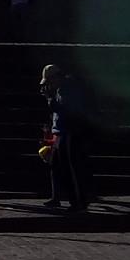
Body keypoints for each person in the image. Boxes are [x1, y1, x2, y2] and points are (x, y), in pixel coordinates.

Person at [39, 63, 92, 211]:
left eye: (50, 81)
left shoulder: (66, 90)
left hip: (68, 131)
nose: (49, 85)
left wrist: (50, 99)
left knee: (70, 168)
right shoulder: (63, 88)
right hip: (62, 131)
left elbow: (64, 109)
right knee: (57, 166)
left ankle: (78, 202)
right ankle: (63, 198)